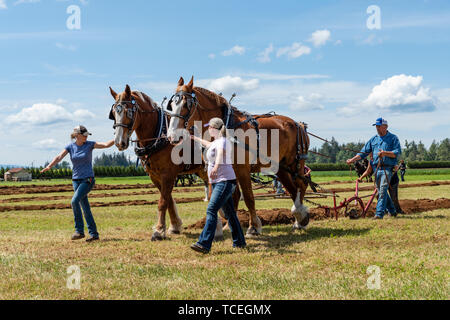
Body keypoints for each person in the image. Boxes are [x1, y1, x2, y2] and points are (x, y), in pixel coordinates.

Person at [41, 125, 114, 242]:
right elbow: (59, 157)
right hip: (76, 180)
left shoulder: (90, 145)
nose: (86, 137)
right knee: (85, 208)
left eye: (87, 135)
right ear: (77, 135)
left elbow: (105, 145)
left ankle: (79, 231)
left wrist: (117, 138)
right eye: (84, 135)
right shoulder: (71, 147)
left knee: (74, 201)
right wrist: (49, 166)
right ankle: (94, 234)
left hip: (88, 179)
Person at [189, 118, 246, 253]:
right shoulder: (216, 142)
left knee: (211, 210)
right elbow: (208, 145)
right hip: (219, 182)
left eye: (210, 127)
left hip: (224, 181)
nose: (208, 129)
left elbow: (220, 154)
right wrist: (194, 138)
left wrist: (216, 168)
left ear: (215, 128)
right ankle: (240, 242)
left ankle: (204, 243)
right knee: (230, 214)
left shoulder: (224, 141)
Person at [347, 118, 402, 220]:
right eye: (376, 126)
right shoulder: (373, 140)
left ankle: (379, 214)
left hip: (387, 169)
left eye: (379, 126)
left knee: (382, 191)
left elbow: (397, 153)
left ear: (385, 127)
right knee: (380, 191)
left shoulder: (393, 138)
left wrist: (384, 153)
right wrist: (352, 160)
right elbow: (362, 153)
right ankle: (393, 211)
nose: (377, 128)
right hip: (376, 170)